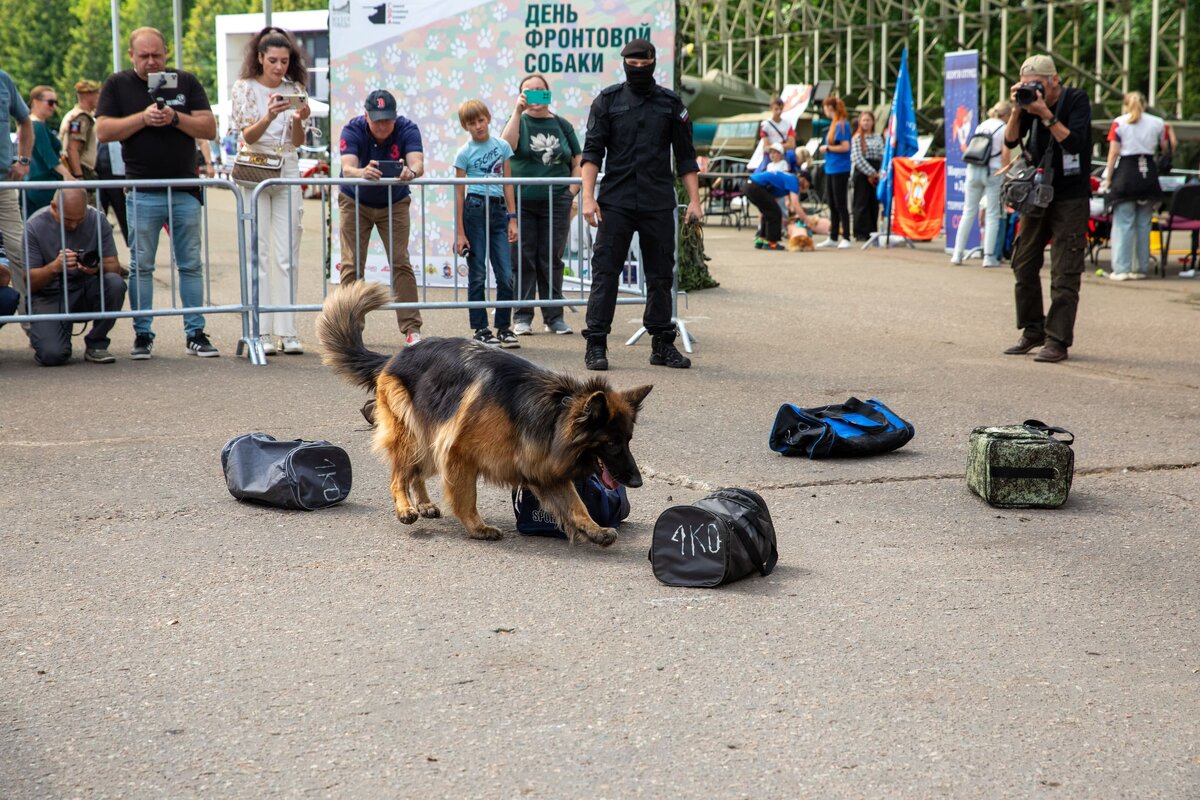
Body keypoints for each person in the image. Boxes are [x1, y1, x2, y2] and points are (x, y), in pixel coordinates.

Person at [579, 37, 703, 371]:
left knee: (661, 274)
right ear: (624, 64)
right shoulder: (607, 101)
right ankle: (596, 344)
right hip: (616, 201)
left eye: (643, 64)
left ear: (653, 63)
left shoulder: (671, 104)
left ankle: (662, 344)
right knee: (606, 272)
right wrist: (588, 197)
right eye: (631, 65)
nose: (637, 69)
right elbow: (592, 153)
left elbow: (686, 157)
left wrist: (695, 201)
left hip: (657, 201)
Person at [97, 26, 219, 359]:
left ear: (167, 53)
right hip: (142, 189)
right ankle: (142, 334)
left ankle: (195, 332)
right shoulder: (118, 84)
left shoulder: (186, 81)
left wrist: (176, 118)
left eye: (157, 55)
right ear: (131, 55)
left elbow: (209, 127)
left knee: (191, 264)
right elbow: (103, 130)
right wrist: (143, 118)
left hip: (184, 188)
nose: (152, 62)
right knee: (142, 266)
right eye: (144, 56)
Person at [1000, 54, 1092, 364]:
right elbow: (1011, 141)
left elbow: (1074, 143)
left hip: (1070, 197)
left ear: (1054, 80)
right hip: (1037, 194)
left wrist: (1045, 113)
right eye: (1026, 85)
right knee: (1023, 262)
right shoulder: (1028, 103)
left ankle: (1057, 340)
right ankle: (1033, 330)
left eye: (1037, 84)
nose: (1033, 90)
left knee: (1065, 270)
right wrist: (1019, 108)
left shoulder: (1076, 100)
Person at [232, 26, 313, 354]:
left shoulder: (295, 88)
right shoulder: (245, 87)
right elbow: (247, 136)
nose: (279, 67)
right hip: (255, 166)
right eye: (273, 60)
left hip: (287, 165)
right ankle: (261, 330)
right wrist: (269, 115)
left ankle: (287, 330)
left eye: (285, 61)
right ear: (260, 58)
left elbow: (298, 141)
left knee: (287, 252)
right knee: (258, 249)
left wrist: (299, 118)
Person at [337, 88, 425, 345]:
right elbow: (347, 168)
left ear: (395, 116)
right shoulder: (352, 129)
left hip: (394, 202)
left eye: (387, 120)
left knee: (400, 262)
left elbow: (418, 164)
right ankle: (349, 330)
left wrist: (411, 172)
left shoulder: (408, 128)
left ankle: (412, 330)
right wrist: (362, 172)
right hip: (354, 201)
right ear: (366, 116)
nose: (383, 126)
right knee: (352, 265)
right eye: (377, 120)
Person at [500, 73, 582, 337]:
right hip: (521, 203)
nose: (534, 95)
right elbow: (505, 147)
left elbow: (578, 160)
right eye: (528, 91)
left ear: (548, 93)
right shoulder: (517, 121)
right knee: (522, 258)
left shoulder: (562, 125)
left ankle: (554, 317)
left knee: (551, 258)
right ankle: (522, 317)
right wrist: (517, 111)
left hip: (556, 202)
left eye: (539, 90)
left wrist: (570, 192)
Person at [22, 188, 128, 365]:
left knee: (115, 283)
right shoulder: (34, 226)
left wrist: (95, 269)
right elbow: (30, 282)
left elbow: (114, 267)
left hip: (85, 287)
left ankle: (97, 343)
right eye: (68, 220)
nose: (73, 226)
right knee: (52, 356)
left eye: (80, 220)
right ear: (53, 207)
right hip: (50, 294)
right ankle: (49, 336)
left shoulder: (97, 218)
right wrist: (54, 267)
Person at [453, 99, 519, 348]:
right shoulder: (463, 153)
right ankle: (480, 328)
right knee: (478, 273)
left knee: (506, 274)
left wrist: (513, 219)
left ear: (488, 118)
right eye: (472, 123)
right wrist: (460, 232)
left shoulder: (502, 146)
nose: (478, 126)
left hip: (499, 211)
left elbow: (507, 184)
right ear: (465, 126)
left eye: (481, 120)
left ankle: (504, 327)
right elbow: (459, 193)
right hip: (475, 208)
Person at [1101, 92, 1164, 281]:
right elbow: (1165, 147)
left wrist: (1108, 178)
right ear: (1145, 104)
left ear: (1126, 105)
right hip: (1148, 174)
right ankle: (1141, 267)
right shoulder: (1158, 123)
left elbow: (1113, 153)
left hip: (1126, 174)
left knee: (1123, 223)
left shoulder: (1119, 123)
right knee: (1144, 224)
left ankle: (1122, 268)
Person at [951, 100, 1012, 267]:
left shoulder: (982, 125)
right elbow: (1005, 154)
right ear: (1007, 114)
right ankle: (989, 257)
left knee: (968, 211)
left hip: (974, 168)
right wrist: (1007, 172)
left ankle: (957, 254)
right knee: (993, 214)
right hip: (993, 171)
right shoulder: (1004, 128)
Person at [0, 68, 34, 298]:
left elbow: (25, 121)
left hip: (3, 185)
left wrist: (23, 161)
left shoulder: (3, 79)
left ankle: (28, 313)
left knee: (20, 251)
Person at [25, 86, 75, 218]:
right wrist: (70, 178)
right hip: (44, 185)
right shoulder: (37, 126)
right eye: (50, 102)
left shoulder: (30, 125)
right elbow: (50, 158)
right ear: (35, 101)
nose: (54, 107)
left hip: (34, 184)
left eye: (56, 102)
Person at [815, 96, 852, 249]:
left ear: (829, 108)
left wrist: (828, 148)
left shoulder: (842, 125)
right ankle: (833, 235)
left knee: (840, 203)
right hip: (831, 167)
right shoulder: (834, 124)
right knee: (831, 202)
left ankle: (846, 236)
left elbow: (845, 146)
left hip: (840, 168)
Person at [745, 170, 807, 251]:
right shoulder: (794, 181)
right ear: (804, 181)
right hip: (756, 185)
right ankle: (771, 242)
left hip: (749, 184)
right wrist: (806, 219)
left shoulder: (785, 182)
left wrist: (782, 219)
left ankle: (761, 240)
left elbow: (773, 202)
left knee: (768, 212)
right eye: (807, 186)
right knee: (774, 213)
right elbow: (795, 204)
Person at [849, 109, 884, 242]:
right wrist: (871, 173)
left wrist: (879, 172)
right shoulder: (857, 138)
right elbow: (857, 158)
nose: (866, 123)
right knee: (861, 202)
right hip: (862, 172)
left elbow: (882, 154)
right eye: (863, 120)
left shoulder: (878, 137)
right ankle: (860, 232)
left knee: (873, 203)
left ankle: (872, 230)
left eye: (868, 120)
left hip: (876, 170)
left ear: (873, 122)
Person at [59, 80, 101, 182]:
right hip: (81, 169)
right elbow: (72, 148)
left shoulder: (72, 114)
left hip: (75, 168)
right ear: (88, 95)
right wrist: (79, 176)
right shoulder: (81, 117)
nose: (100, 98)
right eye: (97, 94)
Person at [94, 141, 129, 245]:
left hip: (118, 176)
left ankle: (133, 247)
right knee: (98, 215)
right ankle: (96, 248)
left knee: (124, 214)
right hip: (98, 176)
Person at [758, 96, 795, 170]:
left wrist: (775, 147)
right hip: (770, 156)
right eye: (776, 109)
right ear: (771, 109)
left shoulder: (788, 124)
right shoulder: (765, 125)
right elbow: (765, 147)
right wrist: (780, 147)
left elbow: (792, 145)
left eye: (781, 109)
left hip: (784, 155)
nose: (779, 112)